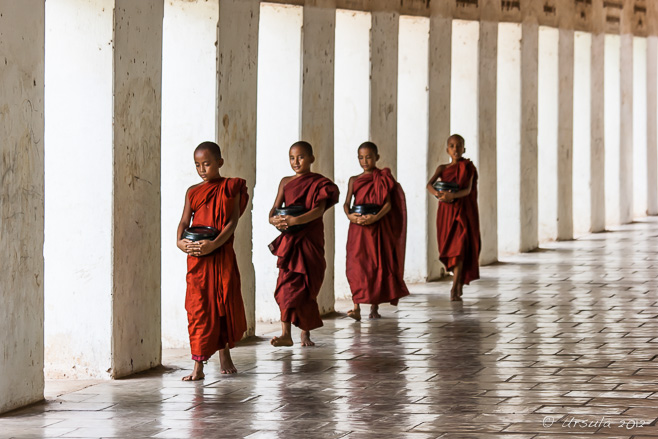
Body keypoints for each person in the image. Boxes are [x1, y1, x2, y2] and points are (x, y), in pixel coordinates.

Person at [176, 141, 249, 380]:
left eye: (206, 164)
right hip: (197, 258)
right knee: (198, 309)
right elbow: (184, 222)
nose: (202, 169)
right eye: (197, 165)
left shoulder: (231, 187)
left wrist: (213, 245)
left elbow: (232, 223)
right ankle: (198, 366)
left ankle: (224, 353)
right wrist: (180, 242)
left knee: (222, 304)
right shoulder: (193, 191)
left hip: (220, 253)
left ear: (219, 162)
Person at [268, 141, 339, 347]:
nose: (296, 162)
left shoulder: (319, 183)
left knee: (307, 286)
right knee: (285, 287)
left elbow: (318, 210)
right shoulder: (285, 182)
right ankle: (285, 334)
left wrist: (294, 221)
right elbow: (274, 210)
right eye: (292, 157)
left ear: (311, 159)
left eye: (300, 157)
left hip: (309, 238)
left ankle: (305, 333)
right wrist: (274, 220)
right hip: (289, 240)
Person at [344, 142, 409, 321]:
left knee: (375, 265)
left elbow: (388, 204)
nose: (365, 161)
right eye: (361, 157)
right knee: (355, 266)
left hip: (376, 226)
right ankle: (356, 305)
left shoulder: (382, 178)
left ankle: (374, 306)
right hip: (357, 227)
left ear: (377, 157)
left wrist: (375, 218)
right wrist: (350, 216)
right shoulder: (353, 180)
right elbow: (346, 203)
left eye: (369, 157)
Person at [426, 134, 481, 301]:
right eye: (452, 146)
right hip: (446, 212)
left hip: (463, 210)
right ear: (447, 150)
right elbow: (429, 185)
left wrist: (453, 196)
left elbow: (469, 190)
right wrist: (438, 195)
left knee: (461, 247)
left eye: (459, 145)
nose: (455, 149)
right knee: (450, 249)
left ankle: (456, 285)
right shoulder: (442, 168)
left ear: (464, 148)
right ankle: (457, 283)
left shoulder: (469, 167)